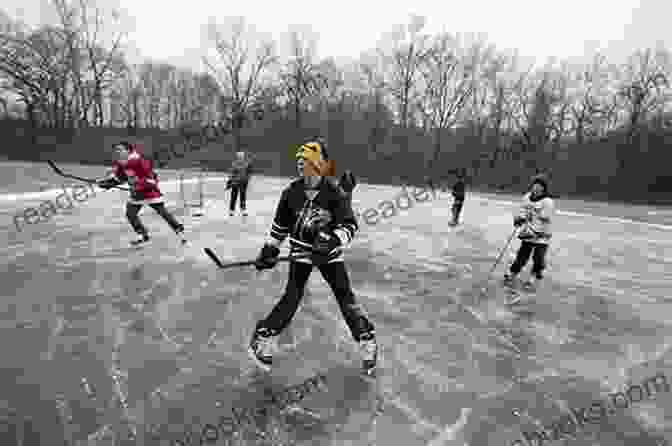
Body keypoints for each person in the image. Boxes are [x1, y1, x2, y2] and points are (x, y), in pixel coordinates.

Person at [248, 139, 378, 374]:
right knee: (292, 297)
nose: (301, 166)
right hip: (300, 251)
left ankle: (366, 339)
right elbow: (279, 227)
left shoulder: (334, 193)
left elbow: (349, 226)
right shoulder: (291, 193)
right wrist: (269, 250)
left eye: (306, 161)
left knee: (345, 297)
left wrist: (333, 240)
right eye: (298, 161)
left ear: (319, 165)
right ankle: (263, 337)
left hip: (329, 254)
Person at [98, 141, 186, 245]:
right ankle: (142, 234)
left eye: (120, 149)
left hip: (149, 192)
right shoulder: (121, 163)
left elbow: (151, 178)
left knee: (162, 212)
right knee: (130, 214)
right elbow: (120, 178)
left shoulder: (139, 160)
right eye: (116, 150)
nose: (118, 151)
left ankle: (179, 231)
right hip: (136, 194)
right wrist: (107, 183)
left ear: (128, 150)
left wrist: (140, 185)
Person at [504, 174, 554, 301]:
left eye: (540, 187)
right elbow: (522, 212)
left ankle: (534, 275)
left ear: (544, 189)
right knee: (522, 255)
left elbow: (544, 217)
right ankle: (513, 272)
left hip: (542, 235)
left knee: (538, 257)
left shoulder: (547, 202)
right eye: (535, 186)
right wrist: (518, 219)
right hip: (528, 233)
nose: (536, 188)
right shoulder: (526, 198)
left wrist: (529, 216)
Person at [227, 151, 252, 216]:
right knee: (233, 197)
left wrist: (247, 179)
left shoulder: (246, 164)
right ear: (237, 157)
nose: (240, 158)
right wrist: (230, 181)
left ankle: (243, 210)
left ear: (243, 157)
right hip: (235, 183)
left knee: (243, 197)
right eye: (239, 157)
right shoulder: (234, 164)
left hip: (243, 183)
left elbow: (249, 172)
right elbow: (231, 173)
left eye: (241, 157)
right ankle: (231, 210)